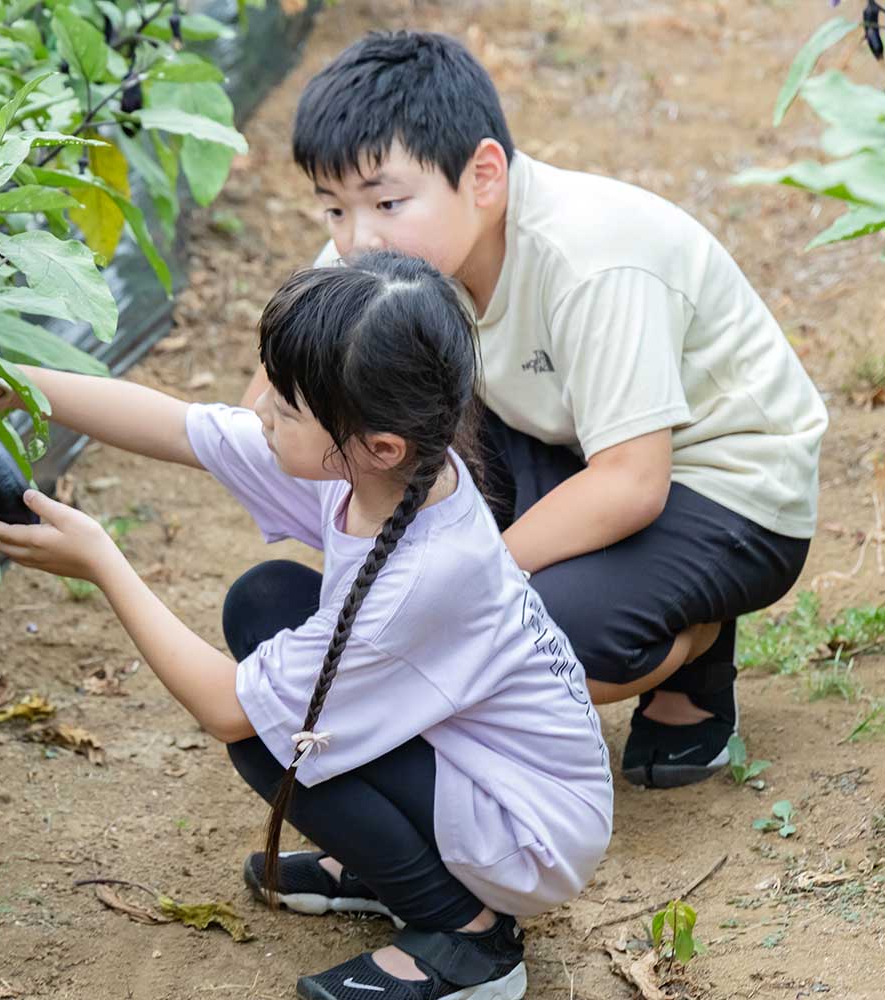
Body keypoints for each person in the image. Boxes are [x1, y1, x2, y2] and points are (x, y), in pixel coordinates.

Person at [0, 252, 612, 1000]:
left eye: (284, 410)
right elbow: (185, 429)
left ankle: (467, 938)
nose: (260, 414)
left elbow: (225, 709)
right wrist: (9, 385)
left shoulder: (423, 575)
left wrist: (103, 561)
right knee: (265, 600)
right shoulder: (394, 466)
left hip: (530, 832)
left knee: (268, 741)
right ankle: (392, 867)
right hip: (491, 766)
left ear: (378, 444)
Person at [240, 30, 827, 788]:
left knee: (550, 635)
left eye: (385, 202)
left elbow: (632, 482)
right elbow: (277, 399)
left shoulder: (592, 257)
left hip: (727, 483)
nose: (357, 240)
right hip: (573, 443)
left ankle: (697, 647)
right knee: (400, 433)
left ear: (483, 176)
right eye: (333, 210)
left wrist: (463, 577)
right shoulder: (391, 257)